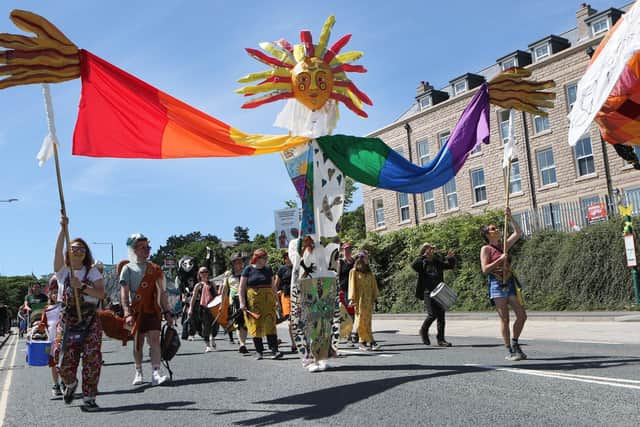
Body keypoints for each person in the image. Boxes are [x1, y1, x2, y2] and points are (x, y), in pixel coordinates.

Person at [53, 214, 105, 411]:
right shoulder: (63, 271)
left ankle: (89, 396)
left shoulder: (92, 272)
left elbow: (101, 293)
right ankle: (70, 383)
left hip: (90, 320)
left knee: (92, 357)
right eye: (74, 248)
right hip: (68, 321)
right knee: (62, 357)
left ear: (86, 253)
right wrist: (62, 229)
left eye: (82, 249)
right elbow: (57, 252)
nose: (78, 252)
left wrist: (82, 287)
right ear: (69, 252)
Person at [120, 233, 174, 386]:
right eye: (142, 247)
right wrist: (127, 312)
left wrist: (167, 311)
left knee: (155, 340)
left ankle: (156, 373)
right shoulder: (127, 268)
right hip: (136, 311)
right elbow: (124, 293)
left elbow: (162, 293)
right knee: (138, 343)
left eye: (148, 247)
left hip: (153, 310)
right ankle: (138, 371)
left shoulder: (155, 269)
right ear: (135, 250)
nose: (146, 250)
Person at [480, 207, 528, 361]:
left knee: (522, 315)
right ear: (487, 234)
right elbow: (485, 269)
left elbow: (518, 233)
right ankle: (509, 349)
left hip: (510, 283)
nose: (497, 230)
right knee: (505, 319)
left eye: (496, 228)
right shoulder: (486, 249)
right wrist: (500, 260)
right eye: (493, 229)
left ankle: (515, 343)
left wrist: (510, 217)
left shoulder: (504, 246)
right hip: (496, 285)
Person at [238, 249, 283, 360]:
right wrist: (242, 302)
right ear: (257, 258)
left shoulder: (268, 270)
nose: (266, 260)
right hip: (253, 303)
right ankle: (259, 351)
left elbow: (273, 286)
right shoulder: (248, 270)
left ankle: (274, 350)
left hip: (268, 302)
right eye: (264, 258)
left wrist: (277, 301)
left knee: (270, 325)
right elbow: (241, 288)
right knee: (255, 326)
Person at [411, 243, 456, 347]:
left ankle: (441, 340)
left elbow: (450, 266)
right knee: (432, 314)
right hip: (428, 292)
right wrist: (423, 256)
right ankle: (423, 331)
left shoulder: (437, 262)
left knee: (441, 316)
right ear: (424, 251)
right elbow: (413, 265)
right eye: (428, 249)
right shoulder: (422, 263)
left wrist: (450, 258)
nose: (431, 250)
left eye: (432, 249)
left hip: (439, 292)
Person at [348, 251, 380, 351]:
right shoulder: (354, 271)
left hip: (368, 301)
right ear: (360, 258)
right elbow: (352, 285)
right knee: (361, 320)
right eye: (366, 258)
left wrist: (375, 297)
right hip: (359, 300)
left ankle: (368, 341)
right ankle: (363, 341)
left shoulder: (369, 272)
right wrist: (352, 299)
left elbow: (374, 285)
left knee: (368, 321)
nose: (367, 259)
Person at [223, 253, 249, 353]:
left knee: (248, 323)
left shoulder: (247, 271)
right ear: (233, 263)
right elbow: (225, 290)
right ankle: (242, 344)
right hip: (234, 301)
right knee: (239, 323)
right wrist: (222, 304)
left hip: (247, 299)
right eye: (236, 262)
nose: (239, 263)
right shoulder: (228, 274)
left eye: (240, 261)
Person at [43, 276, 63, 397]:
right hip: (51, 341)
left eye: (57, 292)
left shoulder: (65, 307)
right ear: (50, 295)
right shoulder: (47, 309)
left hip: (63, 340)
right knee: (54, 365)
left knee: (64, 363)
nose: (55, 295)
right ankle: (56, 384)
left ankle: (65, 382)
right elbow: (43, 323)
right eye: (53, 293)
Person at [189, 267, 217, 352]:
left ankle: (212, 337)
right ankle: (207, 345)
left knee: (214, 325)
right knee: (206, 326)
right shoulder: (198, 285)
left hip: (213, 307)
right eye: (202, 272)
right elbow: (193, 298)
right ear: (199, 274)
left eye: (206, 271)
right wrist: (190, 308)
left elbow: (216, 295)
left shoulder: (212, 283)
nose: (204, 273)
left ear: (208, 273)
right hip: (203, 308)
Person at [274, 252, 296, 353]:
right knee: (291, 320)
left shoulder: (298, 267)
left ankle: (299, 342)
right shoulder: (282, 269)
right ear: (284, 259)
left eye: (291, 257)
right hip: (286, 296)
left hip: (298, 295)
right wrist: (275, 296)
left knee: (298, 320)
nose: (290, 259)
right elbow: (276, 284)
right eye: (287, 258)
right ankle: (294, 344)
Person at [337, 242, 356, 344]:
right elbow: (337, 275)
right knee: (344, 312)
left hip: (352, 290)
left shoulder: (354, 262)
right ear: (342, 251)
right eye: (346, 250)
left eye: (349, 249)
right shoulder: (340, 262)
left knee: (352, 312)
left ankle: (349, 334)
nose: (348, 251)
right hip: (342, 289)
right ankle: (344, 332)